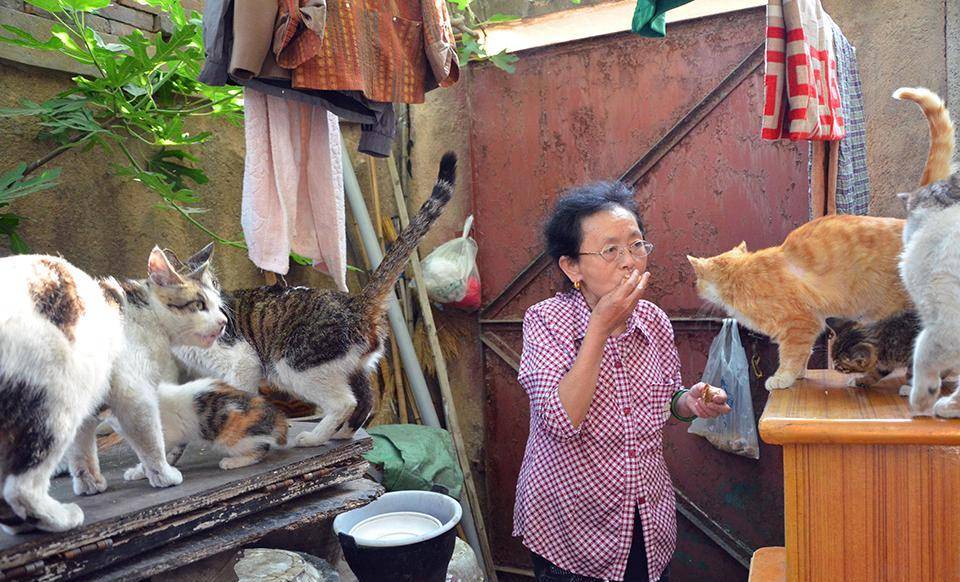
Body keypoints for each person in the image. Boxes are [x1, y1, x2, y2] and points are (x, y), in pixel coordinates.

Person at [513, 181, 732, 582]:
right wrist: (600, 326)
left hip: (647, 519)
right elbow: (562, 420)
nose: (629, 262)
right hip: (572, 531)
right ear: (572, 267)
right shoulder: (545, 321)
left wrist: (690, 402)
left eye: (636, 245)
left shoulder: (654, 321)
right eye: (610, 250)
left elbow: (666, 401)